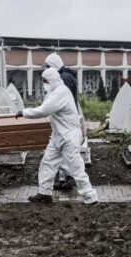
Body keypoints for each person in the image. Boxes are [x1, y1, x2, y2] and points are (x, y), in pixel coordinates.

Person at [16, 68, 98, 205]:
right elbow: (45, 107)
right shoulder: (53, 92)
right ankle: (44, 193)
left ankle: (91, 197)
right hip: (59, 135)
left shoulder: (61, 92)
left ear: (52, 79)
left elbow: (44, 111)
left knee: (76, 167)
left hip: (69, 135)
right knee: (47, 163)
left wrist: (24, 112)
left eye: (45, 81)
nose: (44, 84)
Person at [43, 53, 82, 190]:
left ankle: (69, 177)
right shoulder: (65, 76)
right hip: (64, 119)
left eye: (48, 66)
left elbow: (60, 99)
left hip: (65, 120)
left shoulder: (64, 77)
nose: (46, 70)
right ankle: (63, 177)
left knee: (67, 150)